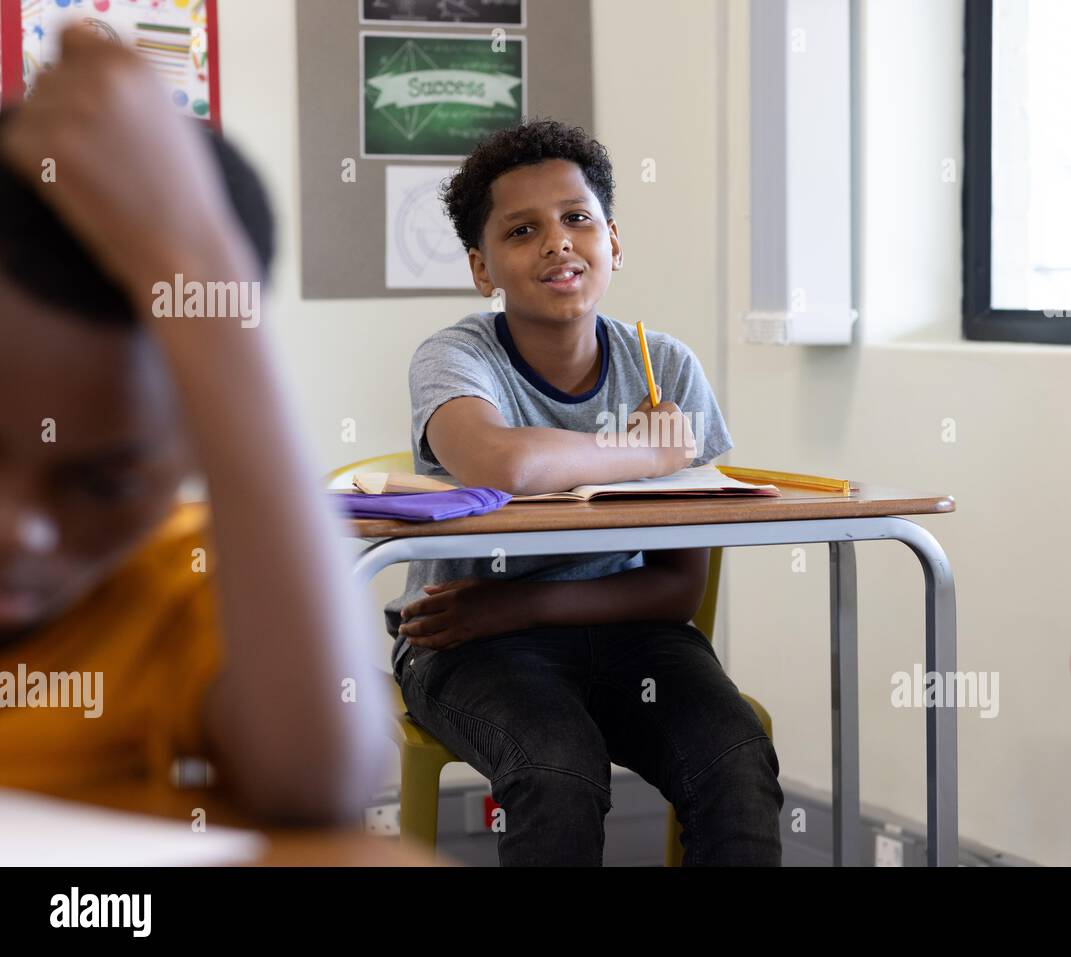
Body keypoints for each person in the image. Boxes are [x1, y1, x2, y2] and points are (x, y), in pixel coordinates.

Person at [0, 27, 385, 823]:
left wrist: (203, 274)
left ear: (192, 454)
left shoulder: (177, 599)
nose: (23, 531)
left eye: (104, 482)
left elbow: (320, 777)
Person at [389, 119, 784, 865]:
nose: (558, 242)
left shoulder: (666, 365)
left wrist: (518, 602)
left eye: (578, 219)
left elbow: (676, 587)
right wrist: (644, 451)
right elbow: (497, 464)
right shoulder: (456, 357)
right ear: (483, 269)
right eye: (522, 230)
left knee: (735, 758)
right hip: (466, 643)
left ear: (614, 241)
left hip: (624, 630)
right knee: (556, 767)